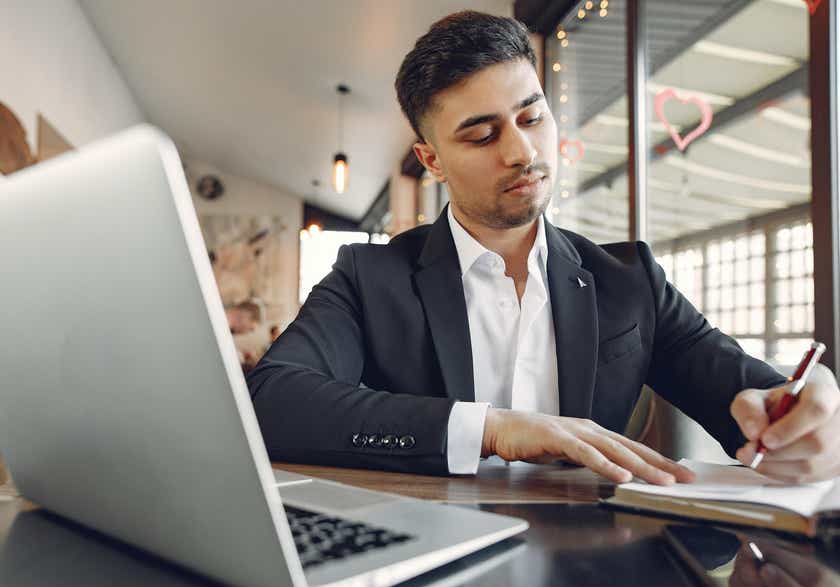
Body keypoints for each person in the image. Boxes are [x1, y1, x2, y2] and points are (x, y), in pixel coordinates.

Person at [248, 11, 840, 484]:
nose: (522, 153)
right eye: (482, 135)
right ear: (431, 161)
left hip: (595, 572)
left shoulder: (629, 278)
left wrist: (807, 412)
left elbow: (750, 396)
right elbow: (274, 401)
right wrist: (490, 429)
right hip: (421, 564)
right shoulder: (369, 275)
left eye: (532, 118)